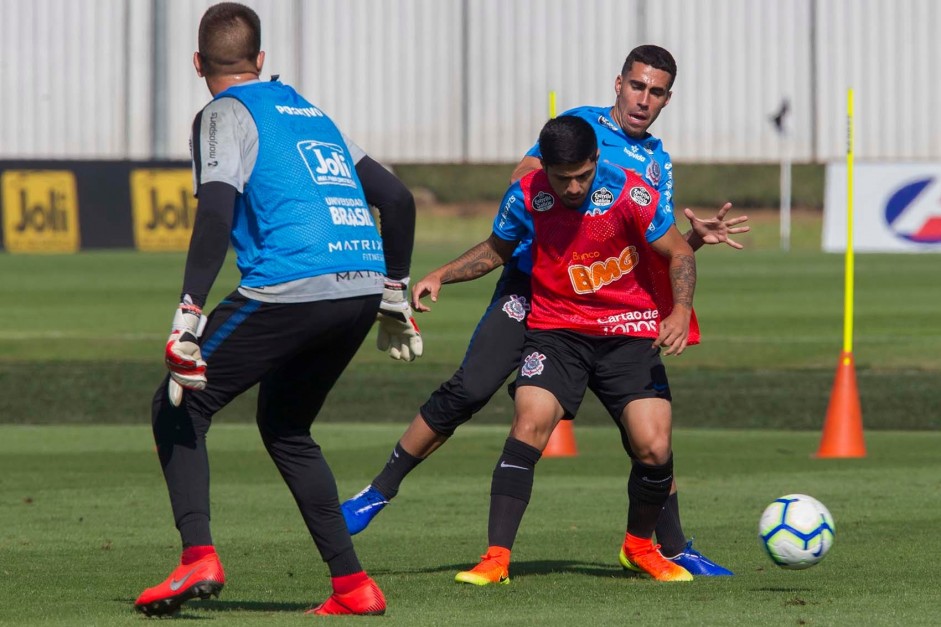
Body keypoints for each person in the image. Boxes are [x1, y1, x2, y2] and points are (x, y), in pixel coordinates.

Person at [342, 45, 746, 576]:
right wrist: (543, 203)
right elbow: (526, 175)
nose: (643, 100)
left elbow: (655, 247)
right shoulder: (578, 126)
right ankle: (378, 490)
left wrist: (693, 237)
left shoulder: (656, 164)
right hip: (532, 286)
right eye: (637, 86)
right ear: (618, 83)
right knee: (470, 389)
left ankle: (668, 545)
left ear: (668, 98)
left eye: (656, 91)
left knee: (647, 435)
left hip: (602, 305)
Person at [134, 2, 420, 617]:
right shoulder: (313, 112)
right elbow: (396, 200)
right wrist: (394, 290)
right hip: (361, 284)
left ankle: (197, 559)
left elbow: (214, 211)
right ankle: (353, 587)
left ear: (197, 64)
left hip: (291, 284)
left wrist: (189, 313)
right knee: (287, 427)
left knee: (178, 402)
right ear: (261, 61)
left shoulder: (220, 113)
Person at [443, 115, 696, 583]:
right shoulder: (526, 194)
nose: (575, 187)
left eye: (583, 175)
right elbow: (497, 250)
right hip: (557, 330)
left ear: (596, 160)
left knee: (655, 445)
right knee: (530, 421)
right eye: (564, 179)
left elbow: (679, 252)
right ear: (547, 170)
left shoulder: (631, 192)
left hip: (627, 331)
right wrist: (440, 275)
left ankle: (640, 547)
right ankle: (496, 558)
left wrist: (680, 311)